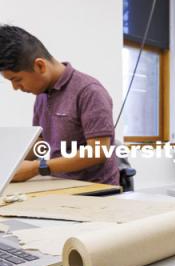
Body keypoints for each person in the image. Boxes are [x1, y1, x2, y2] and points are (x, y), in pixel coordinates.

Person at [0, 25, 119, 185]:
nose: (15, 88)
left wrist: (37, 167)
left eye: (17, 79)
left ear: (40, 66)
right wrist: (10, 166)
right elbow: (40, 142)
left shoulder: (89, 91)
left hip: (95, 191)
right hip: (59, 184)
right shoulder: (42, 95)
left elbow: (98, 151)